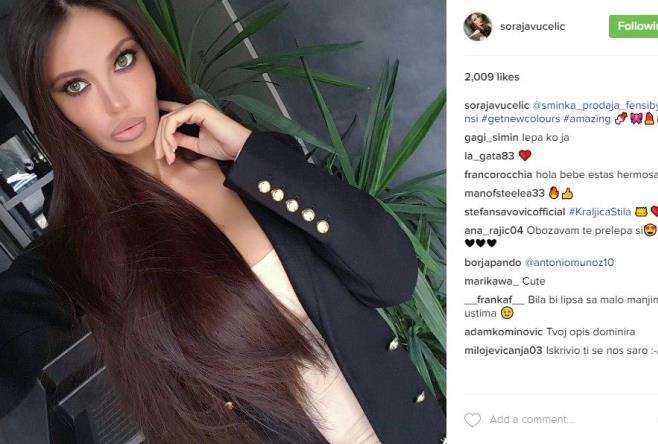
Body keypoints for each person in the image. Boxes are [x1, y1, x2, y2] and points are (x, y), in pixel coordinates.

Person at [0, 1, 446, 443]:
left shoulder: (255, 164)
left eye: (123, 60)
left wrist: (248, 152)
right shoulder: (78, 250)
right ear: (52, 109)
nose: (116, 102)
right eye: (76, 86)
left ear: (149, 56)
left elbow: (392, 279)